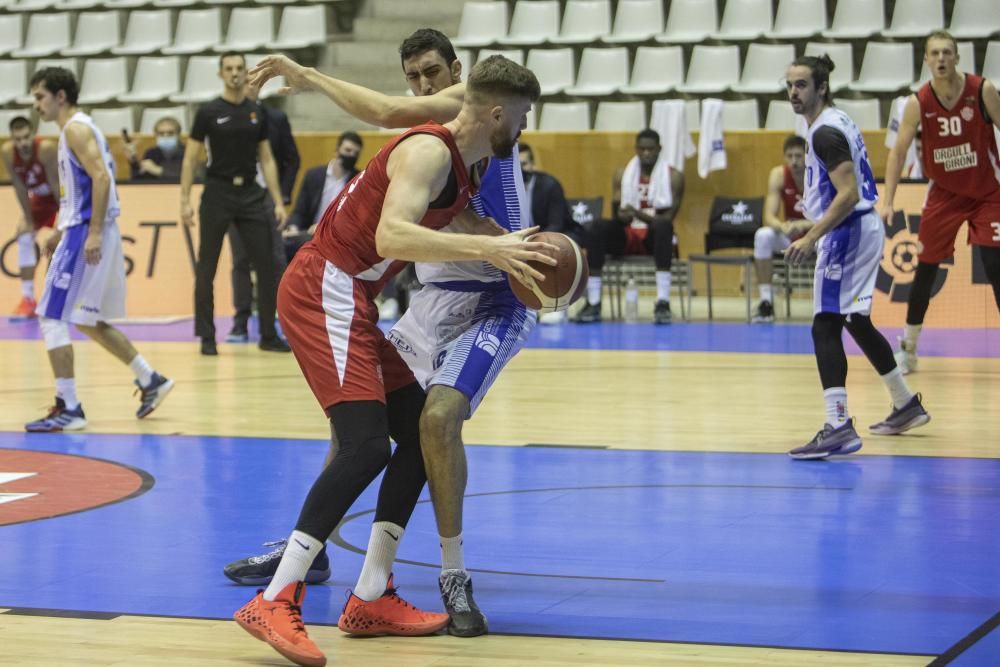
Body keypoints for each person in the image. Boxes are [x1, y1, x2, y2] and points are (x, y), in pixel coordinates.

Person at [231, 55, 551, 667]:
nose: (526, 124)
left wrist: (517, 251)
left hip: (351, 294)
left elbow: (462, 214)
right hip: (323, 283)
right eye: (525, 113)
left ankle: (372, 593)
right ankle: (275, 598)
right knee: (365, 445)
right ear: (498, 112)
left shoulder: (464, 167)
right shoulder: (428, 151)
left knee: (417, 435)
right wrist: (489, 243)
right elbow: (391, 238)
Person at [782, 54, 930, 460]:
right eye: (790, 85)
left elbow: (846, 193)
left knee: (824, 325)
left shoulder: (824, 133)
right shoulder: (836, 119)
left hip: (847, 230)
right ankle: (904, 403)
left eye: (801, 85)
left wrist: (811, 235)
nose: (793, 92)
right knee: (855, 319)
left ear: (821, 88)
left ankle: (838, 424)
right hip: (859, 227)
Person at [24, 67, 173, 432]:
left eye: (40, 96)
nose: (35, 104)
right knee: (84, 318)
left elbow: (102, 178)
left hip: (88, 231)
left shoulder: (74, 128)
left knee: (52, 316)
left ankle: (69, 406)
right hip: (83, 228)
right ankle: (149, 378)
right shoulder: (77, 128)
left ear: (60, 96)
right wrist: (64, 228)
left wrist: (88, 232)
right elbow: (84, 187)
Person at [881, 30, 1000, 374]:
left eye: (947, 52)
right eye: (935, 53)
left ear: (958, 57)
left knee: (996, 268)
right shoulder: (917, 102)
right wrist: (888, 200)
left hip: (987, 193)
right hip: (945, 195)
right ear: (926, 60)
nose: (942, 59)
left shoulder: (983, 90)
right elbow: (898, 152)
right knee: (925, 271)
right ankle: (909, 347)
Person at [179, 52, 290, 356]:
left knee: (266, 265)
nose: (235, 73)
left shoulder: (257, 112)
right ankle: (206, 336)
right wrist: (184, 200)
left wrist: (278, 202)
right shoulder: (208, 112)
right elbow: (190, 158)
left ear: (245, 73)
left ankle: (268, 333)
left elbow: (266, 158)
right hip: (217, 192)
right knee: (207, 267)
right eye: (229, 68)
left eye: (239, 68)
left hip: (251, 194)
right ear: (221, 74)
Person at [576, 129, 684, 325]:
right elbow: (618, 213)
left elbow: (667, 218)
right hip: (627, 234)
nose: (646, 153)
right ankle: (593, 302)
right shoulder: (623, 174)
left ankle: (662, 302)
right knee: (597, 226)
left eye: (650, 149)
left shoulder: (674, 176)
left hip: (655, 239)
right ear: (636, 149)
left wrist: (637, 213)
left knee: (663, 227)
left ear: (659, 149)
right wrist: (623, 215)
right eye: (641, 149)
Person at [226, 95, 301, 342]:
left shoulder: (275, 118)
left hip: (268, 195)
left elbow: (292, 159)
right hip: (237, 194)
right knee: (240, 260)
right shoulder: (225, 116)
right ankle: (240, 321)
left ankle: (284, 321)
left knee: (275, 259)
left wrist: (283, 195)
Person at [2, 116, 59, 321]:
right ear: (12, 139)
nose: (23, 143)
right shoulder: (8, 152)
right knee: (23, 234)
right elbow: (19, 187)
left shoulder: (46, 149)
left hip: (63, 196)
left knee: (58, 242)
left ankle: (54, 299)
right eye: (18, 139)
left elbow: (58, 187)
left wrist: (62, 225)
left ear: (33, 135)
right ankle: (28, 299)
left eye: (26, 137)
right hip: (41, 199)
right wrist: (27, 218)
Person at [752, 134, 811, 323]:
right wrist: (782, 226)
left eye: (799, 156)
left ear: (807, 155)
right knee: (763, 235)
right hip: (791, 234)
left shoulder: (819, 175)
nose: (794, 161)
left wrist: (804, 224)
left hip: (816, 235)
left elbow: (831, 215)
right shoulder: (778, 175)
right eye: (790, 156)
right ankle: (766, 302)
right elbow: (768, 216)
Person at [282, 131, 363, 262]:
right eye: (348, 150)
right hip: (309, 233)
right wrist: (293, 228)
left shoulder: (358, 181)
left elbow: (355, 219)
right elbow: (299, 211)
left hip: (337, 237)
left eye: (355, 154)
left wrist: (323, 227)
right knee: (284, 242)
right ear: (337, 150)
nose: (351, 156)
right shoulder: (314, 175)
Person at [124, 116, 187, 182]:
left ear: (178, 135)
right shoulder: (151, 153)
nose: (165, 136)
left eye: (170, 133)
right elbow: (139, 180)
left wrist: (157, 170)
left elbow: (188, 175)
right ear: (156, 135)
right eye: (161, 133)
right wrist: (133, 162)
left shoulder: (186, 152)